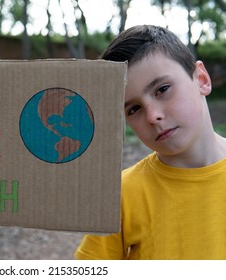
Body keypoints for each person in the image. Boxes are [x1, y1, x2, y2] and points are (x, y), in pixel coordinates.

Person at [75, 25, 226, 259]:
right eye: (134, 108)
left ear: (202, 80)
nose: (152, 116)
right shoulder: (120, 196)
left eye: (162, 89)